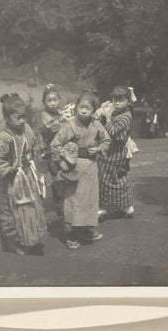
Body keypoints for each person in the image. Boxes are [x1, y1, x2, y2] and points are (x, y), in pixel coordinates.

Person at [50, 89, 111, 250]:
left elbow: (107, 140)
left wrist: (98, 149)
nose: (83, 110)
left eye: (88, 108)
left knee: (89, 201)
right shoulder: (70, 125)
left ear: (94, 110)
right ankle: (70, 234)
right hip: (74, 167)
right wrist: (60, 160)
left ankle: (85, 229)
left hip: (91, 168)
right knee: (73, 200)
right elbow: (55, 144)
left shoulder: (96, 125)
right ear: (76, 107)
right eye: (81, 107)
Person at [0, 93, 47, 256]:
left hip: (28, 176)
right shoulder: (3, 139)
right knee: (15, 211)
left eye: (24, 117)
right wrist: (10, 168)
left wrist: (32, 158)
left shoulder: (26, 129)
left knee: (32, 207)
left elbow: (33, 145)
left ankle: (33, 239)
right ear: (6, 118)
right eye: (18, 117)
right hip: (12, 181)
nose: (22, 121)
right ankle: (17, 243)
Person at [98, 86, 135, 219]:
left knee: (105, 177)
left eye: (121, 100)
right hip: (115, 152)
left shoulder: (125, 117)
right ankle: (126, 206)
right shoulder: (119, 114)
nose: (117, 103)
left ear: (128, 102)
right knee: (117, 178)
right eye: (115, 100)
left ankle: (103, 207)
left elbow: (112, 132)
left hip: (115, 152)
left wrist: (107, 119)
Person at [39, 84, 67, 211]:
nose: (53, 103)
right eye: (49, 100)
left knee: (65, 171)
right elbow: (52, 129)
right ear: (44, 102)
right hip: (51, 150)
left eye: (55, 100)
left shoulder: (58, 113)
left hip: (61, 148)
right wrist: (64, 122)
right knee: (56, 173)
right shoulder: (45, 116)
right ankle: (60, 201)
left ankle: (63, 200)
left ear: (59, 100)